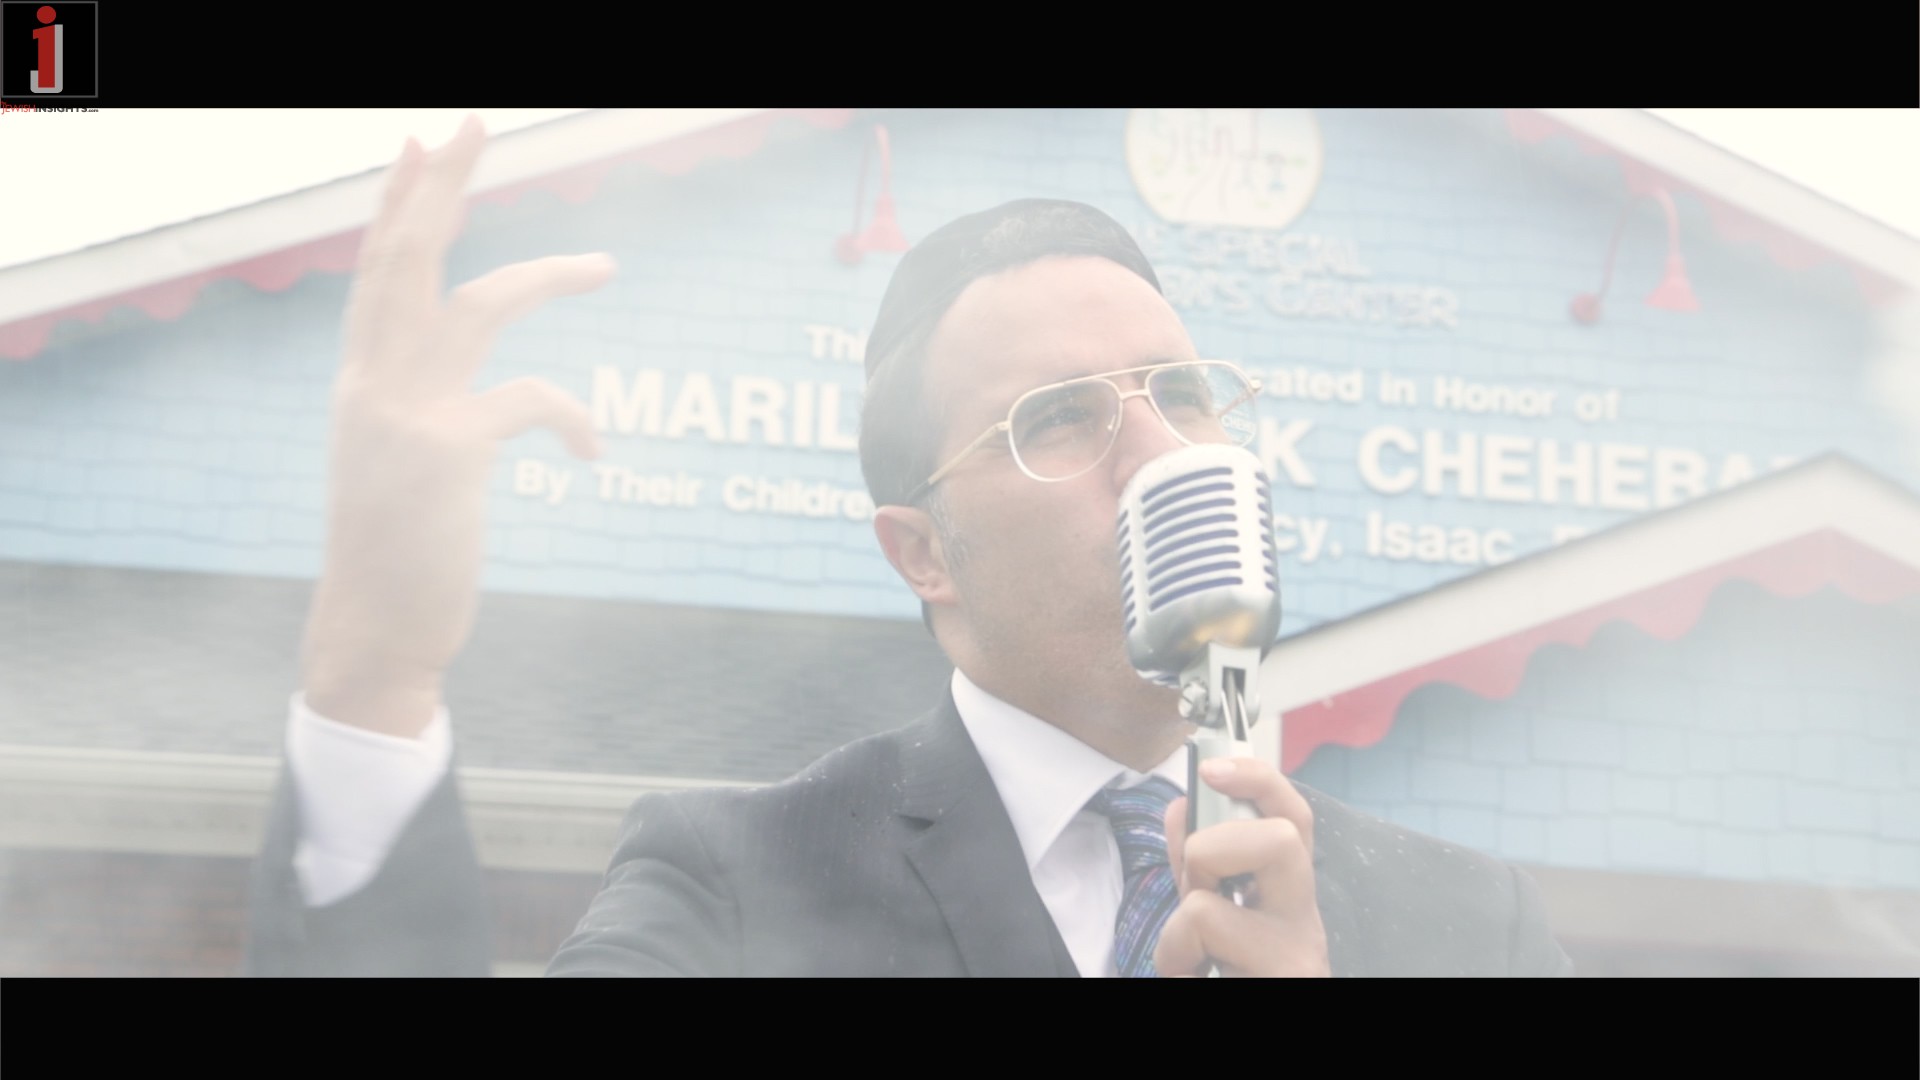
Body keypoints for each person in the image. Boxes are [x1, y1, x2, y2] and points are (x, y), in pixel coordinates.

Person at [245, 115, 1574, 977]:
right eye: (1060, 418)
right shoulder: (739, 885)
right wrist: (375, 673)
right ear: (921, 552)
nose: (1162, 454)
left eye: (1182, 394)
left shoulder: (1471, 930)